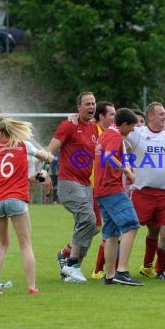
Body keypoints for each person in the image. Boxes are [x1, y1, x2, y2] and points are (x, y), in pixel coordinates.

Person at [0, 117, 53, 295]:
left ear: (1, 133)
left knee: (2, 243)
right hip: (16, 199)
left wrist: (40, 175)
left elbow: (26, 177)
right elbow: (44, 157)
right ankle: (32, 287)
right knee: (25, 244)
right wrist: (48, 158)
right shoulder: (25, 146)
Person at [126, 102, 165, 280]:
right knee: (129, 230)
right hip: (142, 193)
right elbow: (116, 131)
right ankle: (115, 268)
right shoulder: (138, 133)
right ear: (150, 116)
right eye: (161, 114)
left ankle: (161, 270)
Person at [48, 92, 98, 283]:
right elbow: (50, 150)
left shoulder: (93, 127)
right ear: (79, 107)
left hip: (86, 184)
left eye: (93, 103)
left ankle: (70, 267)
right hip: (69, 182)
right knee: (88, 218)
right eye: (87, 103)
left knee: (90, 224)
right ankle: (72, 264)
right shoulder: (68, 125)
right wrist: (44, 173)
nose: (91, 106)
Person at [95, 108, 143, 286]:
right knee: (131, 225)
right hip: (111, 189)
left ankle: (109, 275)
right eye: (131, 127)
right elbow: (108, 157)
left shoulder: (104, 135)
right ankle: (122, 271)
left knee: (111, 233)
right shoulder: (115, 136)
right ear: (124, 124)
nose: (131, 131)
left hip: (100, 190)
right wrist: (126, 171)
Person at [91, 101, 117, 279]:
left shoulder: (112, 132)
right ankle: (69, 256)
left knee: (102, 228)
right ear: (101, 116)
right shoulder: (92, 130)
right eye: (111, 114)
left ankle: (104, 271)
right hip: (93, 185)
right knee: (97, 227)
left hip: (107, 186)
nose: (114, 118)